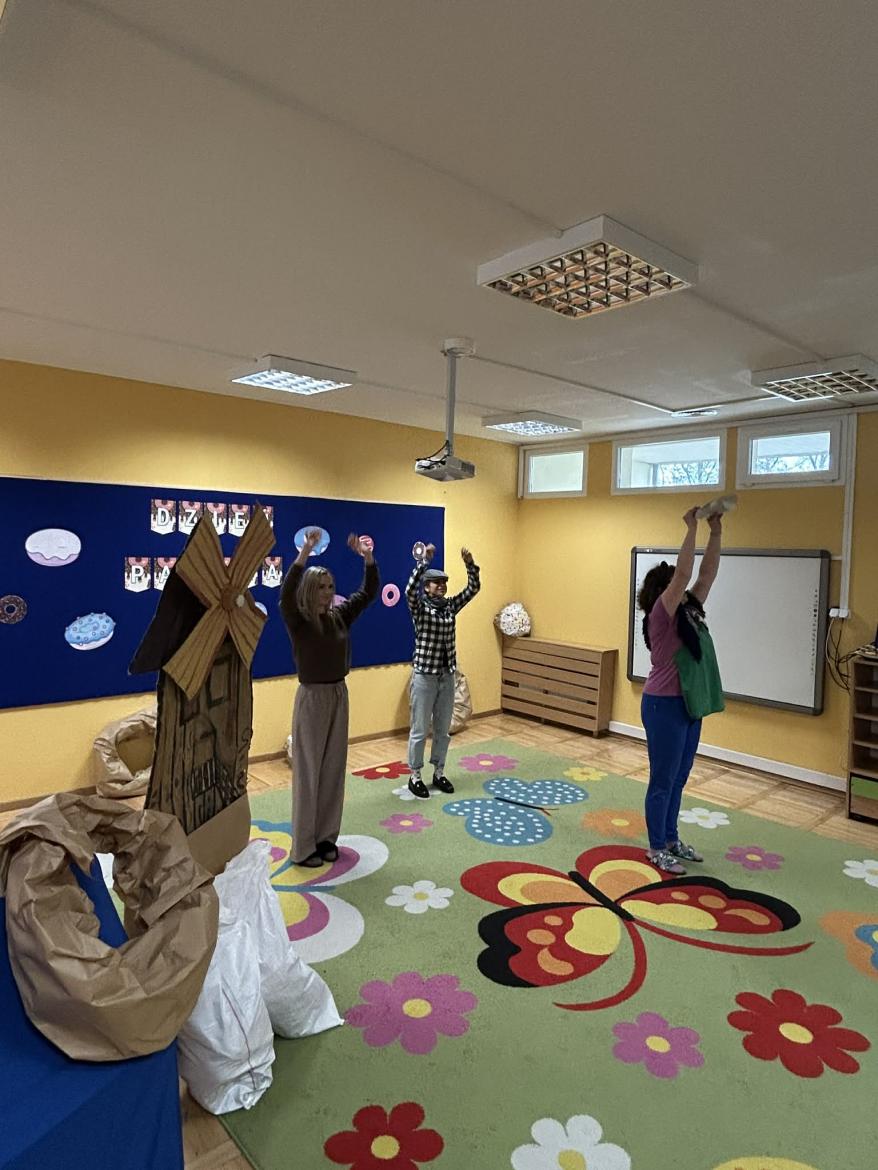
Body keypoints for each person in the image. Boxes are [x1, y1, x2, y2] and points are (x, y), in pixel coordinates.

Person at [279, 529, 379, 866]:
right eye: (321, 587)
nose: (327, 592)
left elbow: (368, 593)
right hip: (312, 697)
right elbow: (286, 593)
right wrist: (305, 552)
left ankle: (325, 838)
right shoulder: (299, 620)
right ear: (310, 589)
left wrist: (367, 558)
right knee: (309, 772)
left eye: (331, 586)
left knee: (333, 770)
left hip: (338, 694)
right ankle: (304, 847)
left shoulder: (339, 617)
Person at [638, 506, 724, 873]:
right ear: (664, 591)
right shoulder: (661, 614)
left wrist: (715, 531)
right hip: (663, 706)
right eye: (676, 585)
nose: (684, 588)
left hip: (687, 705)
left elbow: (706, 574)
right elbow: (686, 573)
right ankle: (656, 847)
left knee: (679, 778)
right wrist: (691, 527)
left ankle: (671, 839)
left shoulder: (689, 611)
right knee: (663, 780)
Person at [405, 544, 480, 798]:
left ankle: (438, 772)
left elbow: (472, 589)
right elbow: (409, 591)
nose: (442, 586)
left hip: (446, 676)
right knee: (419, 729)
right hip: (424, 676)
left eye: (444, 583)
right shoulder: (420, 608)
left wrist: (469, 564)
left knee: (442, 730)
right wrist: (423, 562)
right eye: (437, 583)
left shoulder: (449, 607)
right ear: (426, 586)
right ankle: (415, 776)